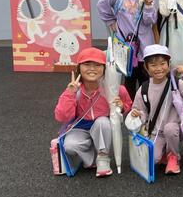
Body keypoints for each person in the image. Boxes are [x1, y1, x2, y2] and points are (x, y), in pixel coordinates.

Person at [54, 47, 132, 177]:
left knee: (102, 122)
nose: (92, 69)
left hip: (102, 127)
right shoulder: (74, 90)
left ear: (104, 68)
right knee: (70, 147)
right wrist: (69, 94)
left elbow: (128, 105)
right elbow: (62, 117)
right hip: (80, 127)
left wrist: (122, 106)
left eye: (97, 65)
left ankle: (103, 158)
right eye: (87, 64)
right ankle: (90, 159)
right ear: (79, 68)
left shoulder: (114, 89)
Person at [124, 44, 183, 175]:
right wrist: (137, 114)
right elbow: (140, 111)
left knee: (170, 128)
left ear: (169, 64)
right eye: (153, 65)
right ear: (146, 67)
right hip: (156, 132)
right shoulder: (144, 89)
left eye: (162, 63)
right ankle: (164, 151)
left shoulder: (177, 84)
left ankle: (173, 156)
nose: (159, 68)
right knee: (153, 160)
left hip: (176, 129)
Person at [97, 0, 158, 97]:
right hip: (125, 46)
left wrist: (148, 6)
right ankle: (129, 107)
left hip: (144, 47)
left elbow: (150, 21)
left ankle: (145, 106)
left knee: (145, 79)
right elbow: (101, 5)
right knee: (128, 80)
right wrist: (110, 21)